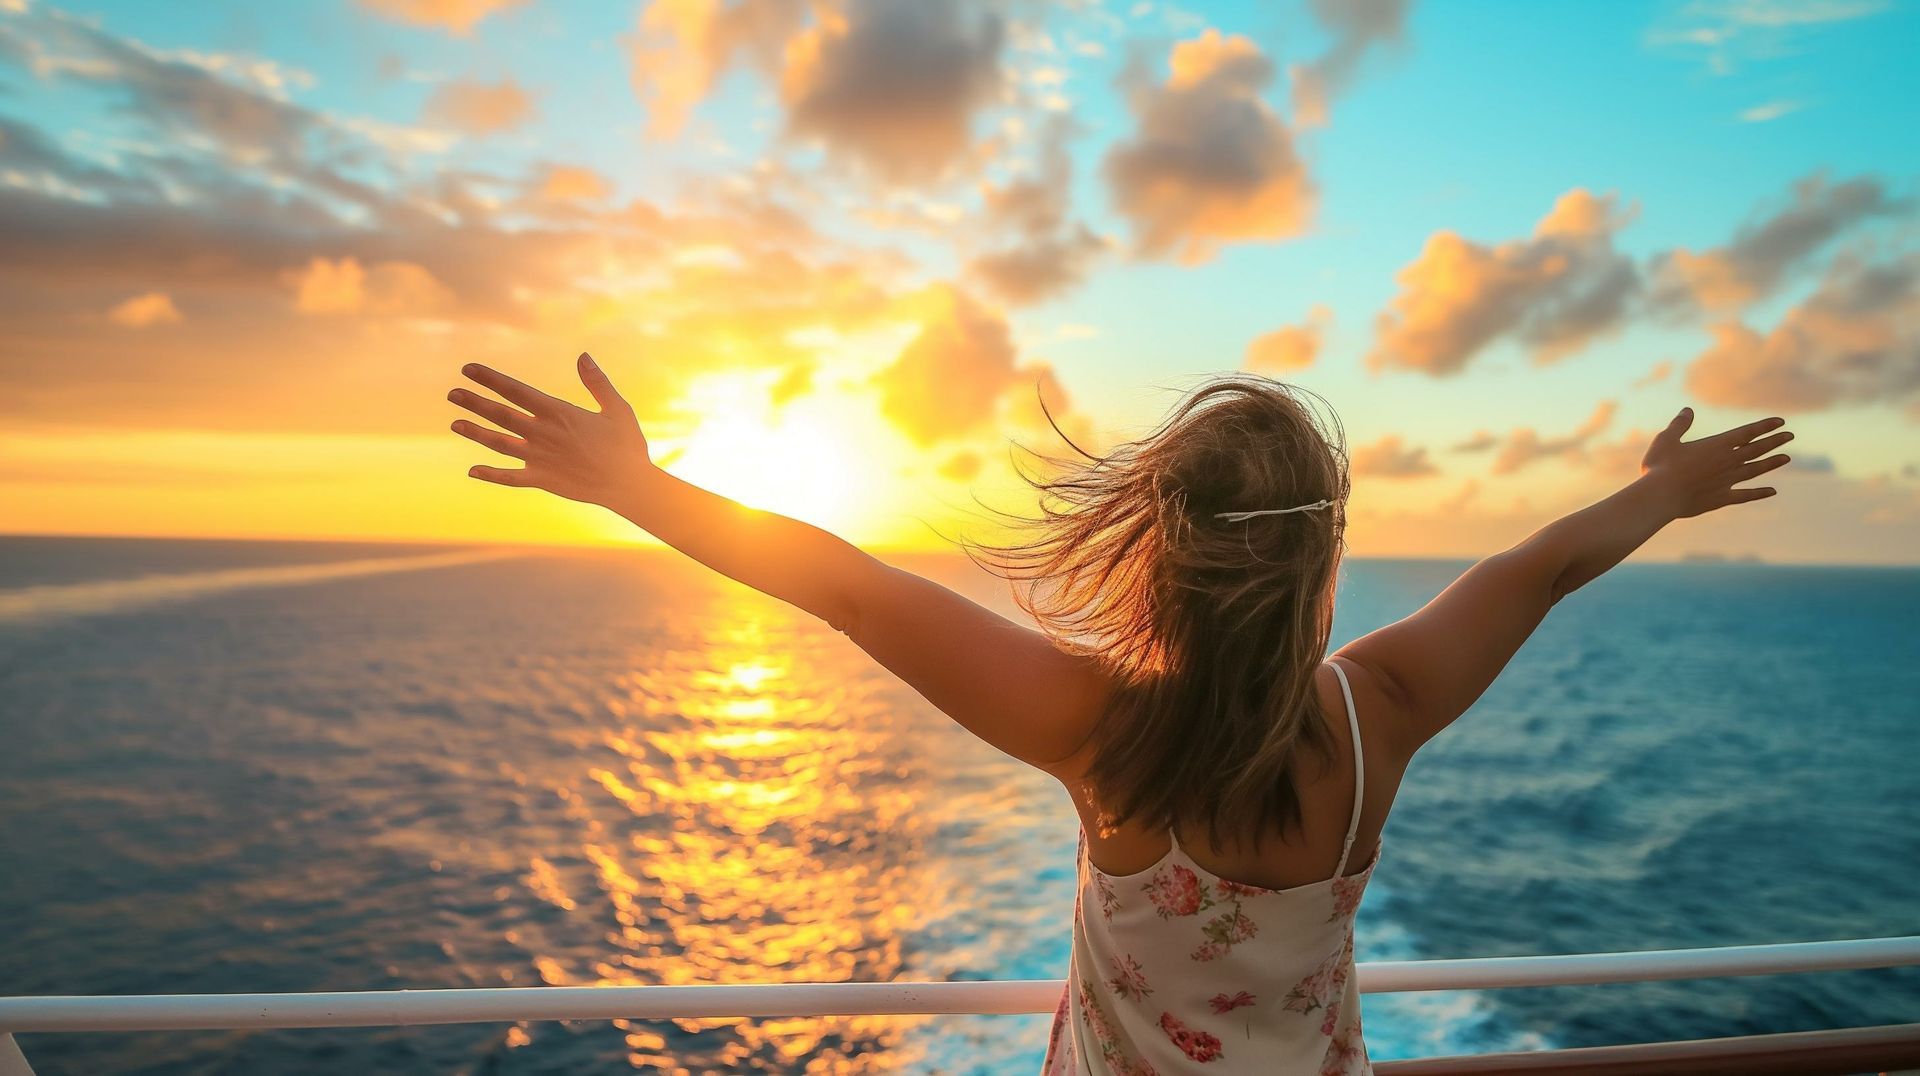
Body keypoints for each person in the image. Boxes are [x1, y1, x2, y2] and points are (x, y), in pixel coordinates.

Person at [448, 356, 1794, 1073]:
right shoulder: (1378, 714)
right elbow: (1536, 569)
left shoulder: (1104, 737)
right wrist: (1663, 494)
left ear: (1159, 558)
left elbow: (854, 594)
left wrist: (641, 490)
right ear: (1320, 568)